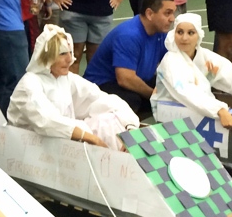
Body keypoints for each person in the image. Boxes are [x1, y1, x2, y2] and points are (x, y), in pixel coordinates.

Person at [8, 25, 139, 149]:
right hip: (29, 148)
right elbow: (47, 121)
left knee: (110, 120)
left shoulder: (66, 79)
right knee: (84, 128)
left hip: (55, 145)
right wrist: (90, 137)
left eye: (70, 53)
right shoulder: (29, 84)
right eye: (63, 54)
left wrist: (130, 126)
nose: (70, 59)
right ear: (47, 56)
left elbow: (102, 99)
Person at [152, 13, 232, 131]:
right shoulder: (171, 61)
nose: (184, 38)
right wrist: (219, 110)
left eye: (191, 33)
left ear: (198, 35)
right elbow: (187, 92)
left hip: (203, 106)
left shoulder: (206, 57)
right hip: (170, 110)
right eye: (180, 32)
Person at [84, 0, 176, 117]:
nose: (172, 19)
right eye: (167, 13)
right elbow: (125, 79)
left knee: (170, 85)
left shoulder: (160, 33)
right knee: (132, 101)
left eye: (173, 13)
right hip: (103, 85)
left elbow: (173, 62)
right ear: (149, 14)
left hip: (134, 78)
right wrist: (155, 96)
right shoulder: (129, 35)